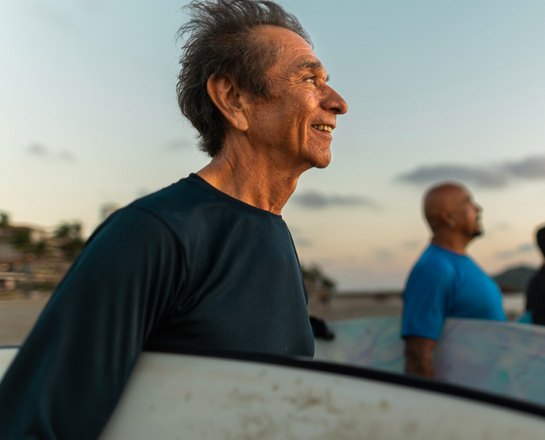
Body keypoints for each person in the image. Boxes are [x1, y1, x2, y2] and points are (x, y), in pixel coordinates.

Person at [0, 1, 347, 438]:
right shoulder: (153, 233)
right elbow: (33, 426)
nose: (338, 103)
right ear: (234, 98)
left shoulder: (272, 232)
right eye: (310, 79)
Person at [401, 183, 507, 378]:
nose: (478, 209)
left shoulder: (461, 262)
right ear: (448, 217)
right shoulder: (433, 269)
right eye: (469, 203)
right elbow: (417, 356)